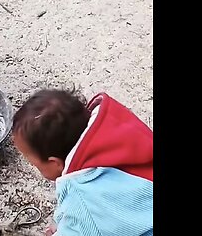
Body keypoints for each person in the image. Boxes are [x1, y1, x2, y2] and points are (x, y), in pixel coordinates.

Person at [12, 89, 153, 236]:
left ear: (55, 163)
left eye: (35, 164)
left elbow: (83, 219)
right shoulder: (116, 129)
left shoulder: (83, 201)